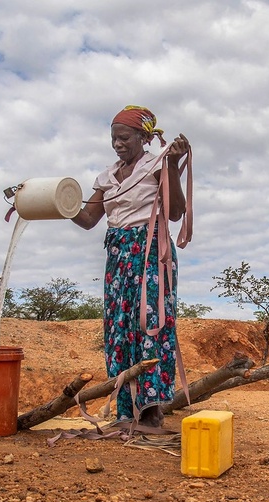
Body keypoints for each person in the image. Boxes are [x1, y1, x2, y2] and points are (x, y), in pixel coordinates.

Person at [72, 105, 192, 426]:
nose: (118, 144)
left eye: (124, 137)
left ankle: (152, 412)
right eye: (114, 138)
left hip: (150, 250)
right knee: (119, 329)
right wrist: (59, 200)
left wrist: (171, 165)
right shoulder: (107, 177)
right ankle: (126, 410)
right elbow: (86, 219)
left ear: (143, 136)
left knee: (149, 323)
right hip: (118, 255)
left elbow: (176, 212)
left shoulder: (156, 164)